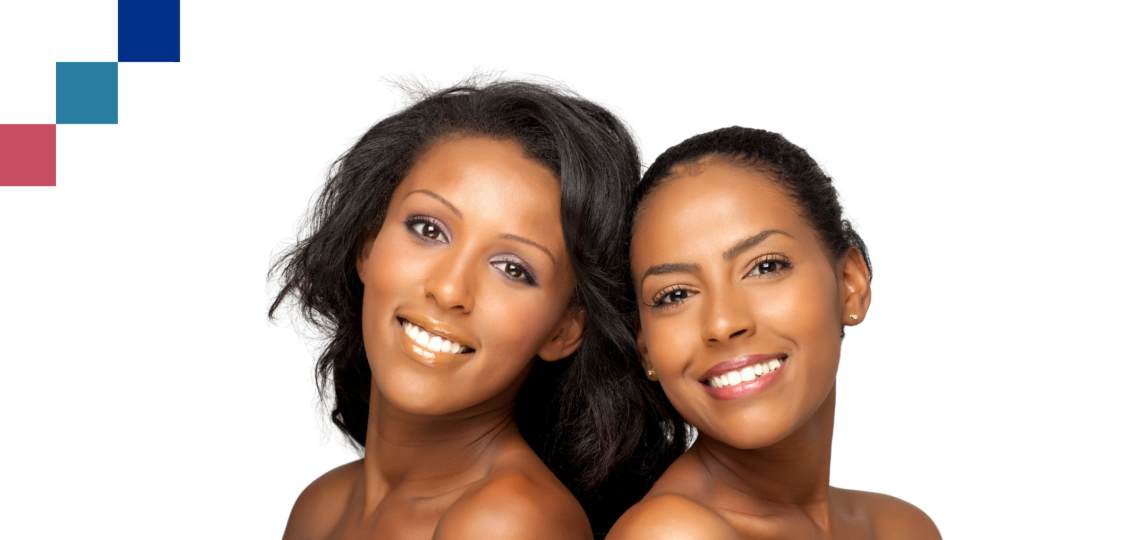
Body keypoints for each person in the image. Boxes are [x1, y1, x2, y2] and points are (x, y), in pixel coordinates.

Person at [269, 80, 685, 540]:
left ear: (565, 329)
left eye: (512, 268)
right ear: (367, 242)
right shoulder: (320, 506)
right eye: (428, 229)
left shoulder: (510, 522)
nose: (449, 290)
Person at [608, 127, 941, 539]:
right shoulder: (673, 532)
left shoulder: (903, 528)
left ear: (849, 283)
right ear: (645, 348)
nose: (723, 323)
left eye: (765, 266)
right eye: (675, 294)